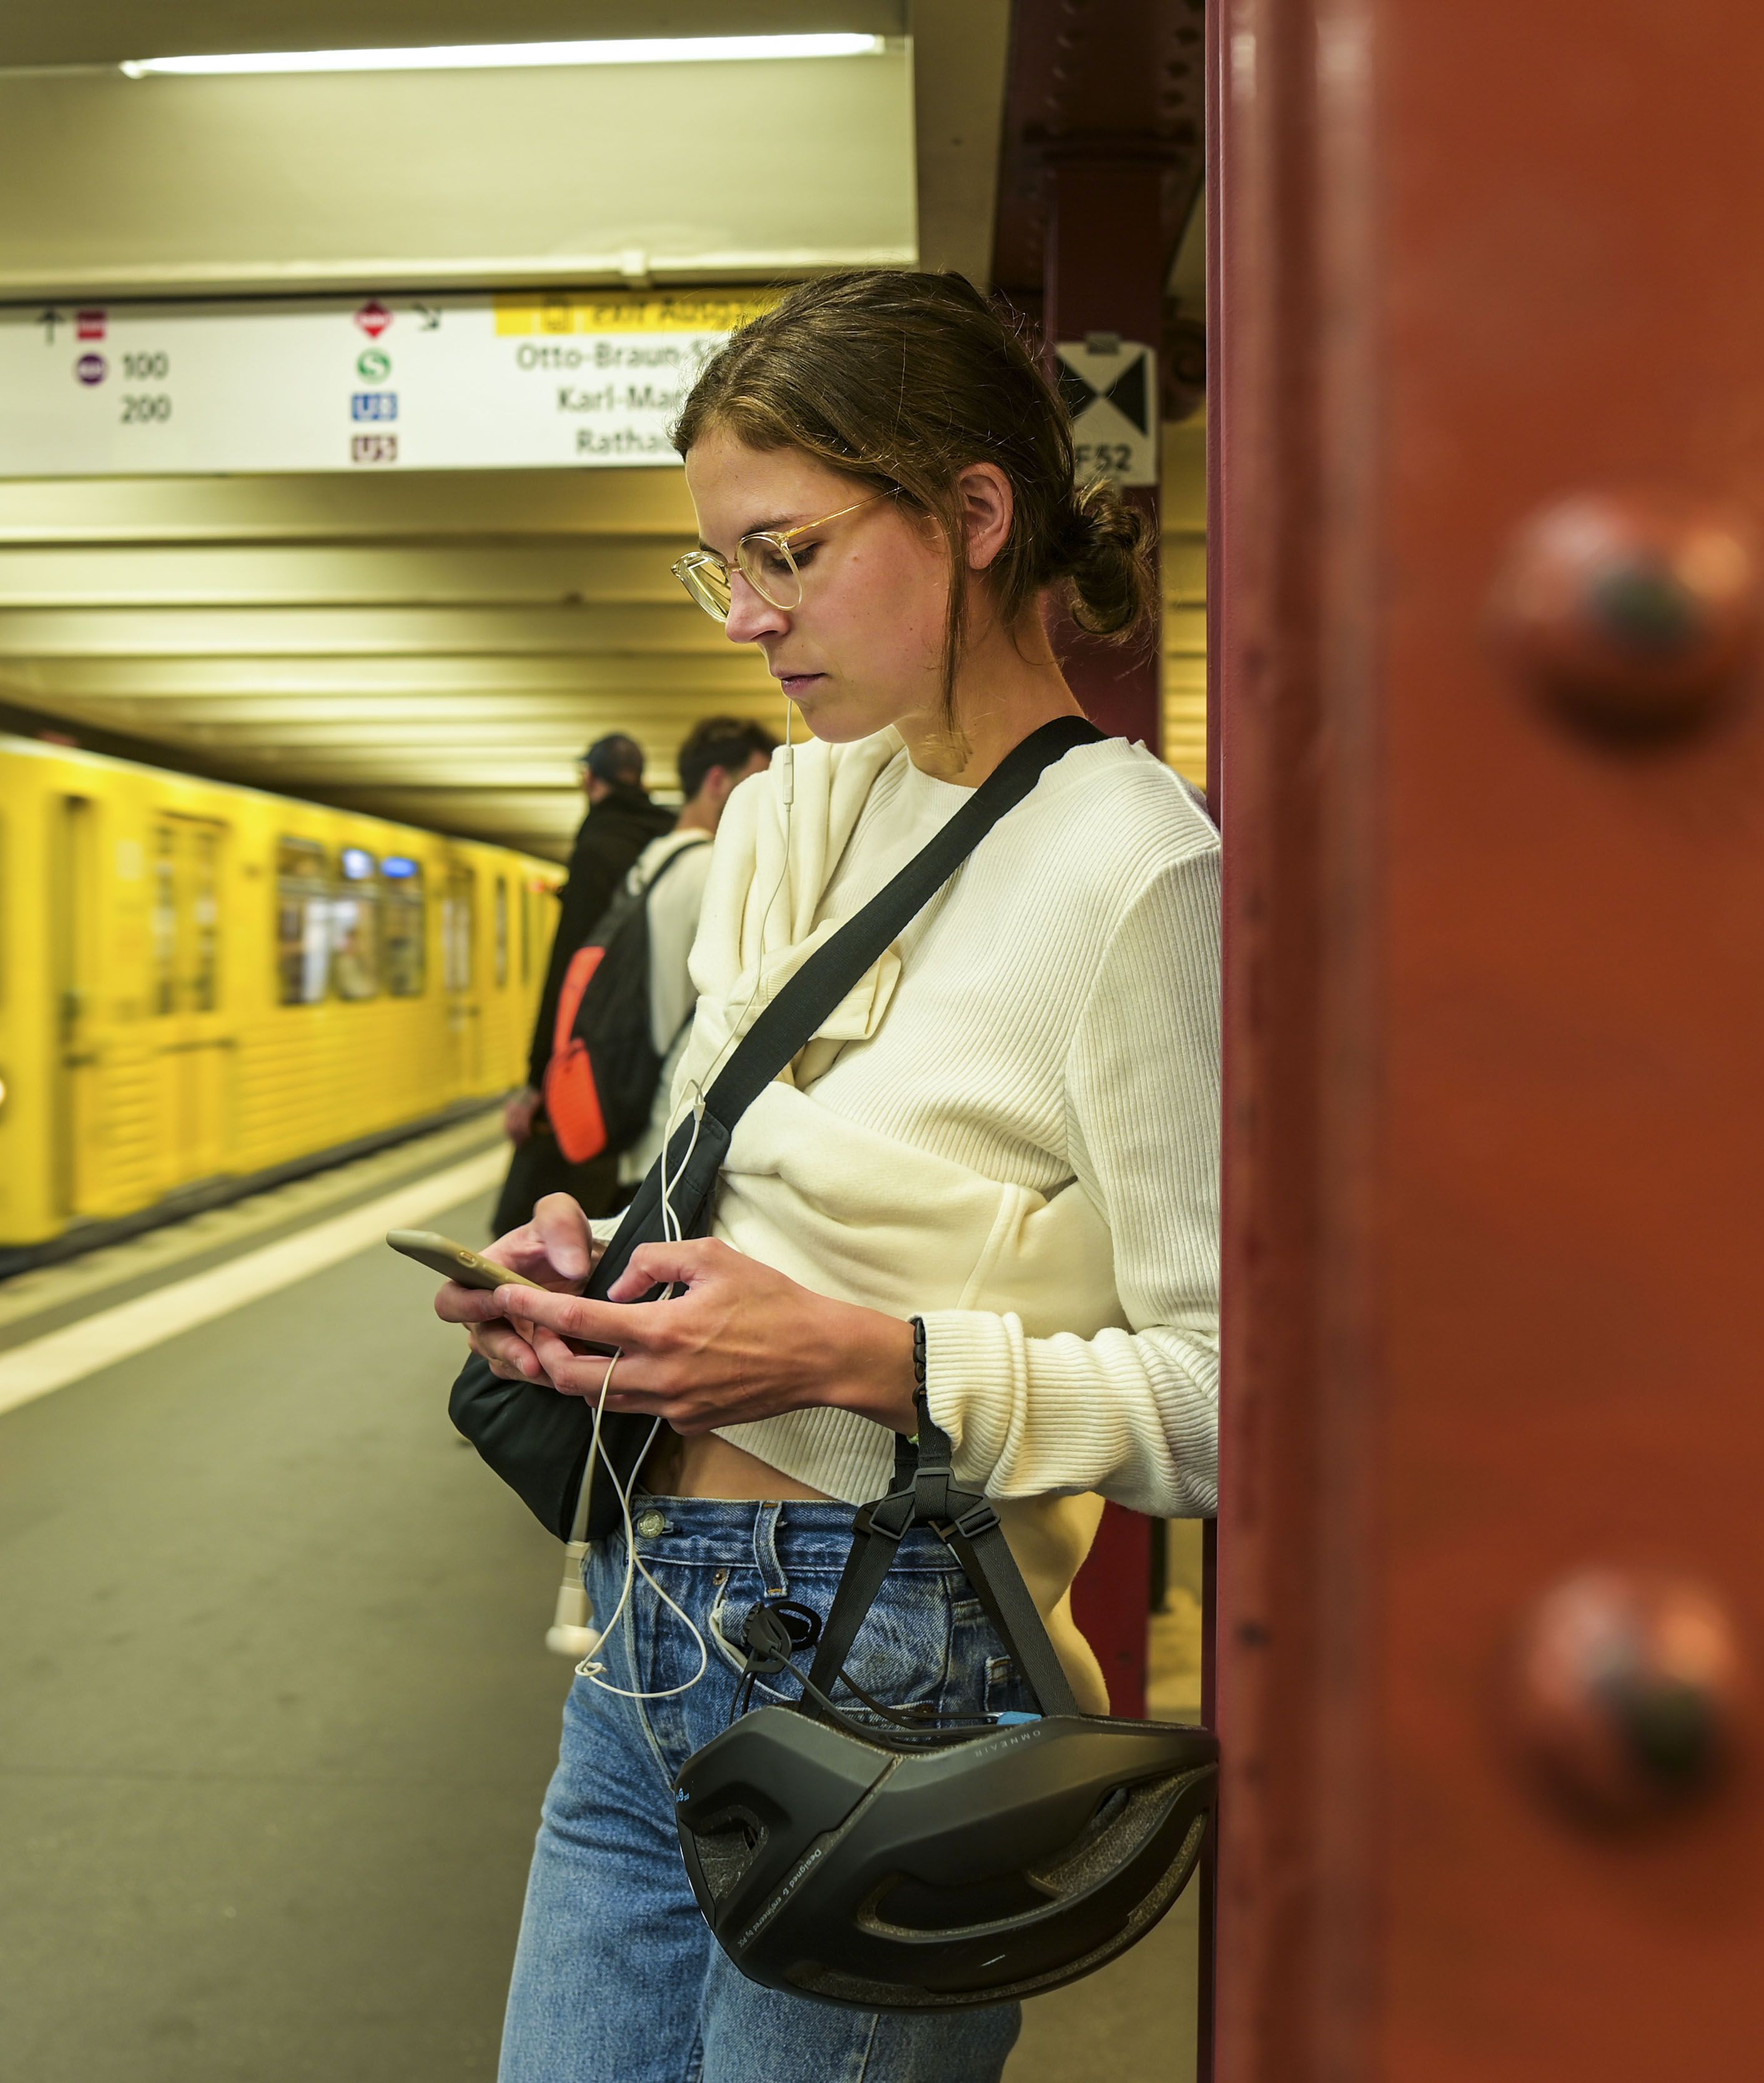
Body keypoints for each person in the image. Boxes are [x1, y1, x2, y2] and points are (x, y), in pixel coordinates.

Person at [434, 270, 1220, 2083]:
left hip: (887, 1654)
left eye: (783, 553)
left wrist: (857, 1357)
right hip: (650, 1614)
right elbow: (742, 1176)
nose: (749, 619)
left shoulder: (1137, 872)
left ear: (970, 512)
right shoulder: (814, 810)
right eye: (725, 568)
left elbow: (1216, 1400)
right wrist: (598, 1261)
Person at [491, 732, 676, 1233]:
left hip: (595, 1052)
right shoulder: (668, 841)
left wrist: (537, 1081)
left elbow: (571, 967)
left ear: (589, 781)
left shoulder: (598, 844)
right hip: (659, 1050)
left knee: (531, 1219)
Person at [616, 716, 776, 1187]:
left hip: (638, 1107)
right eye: (757, 782)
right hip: (682, 1118)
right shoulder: (716, 869)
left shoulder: (649, 863)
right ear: (717, 782)